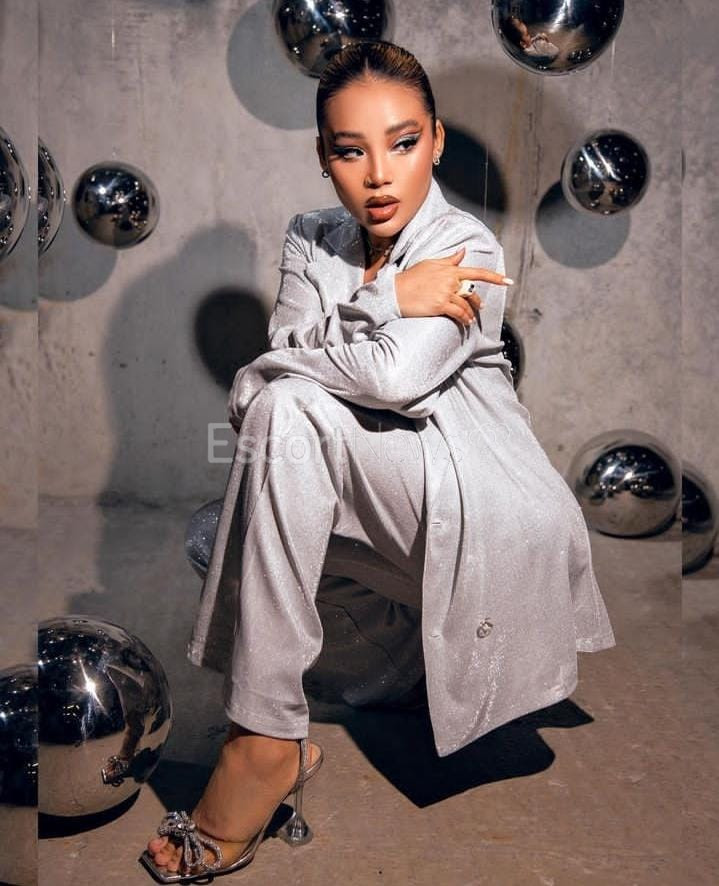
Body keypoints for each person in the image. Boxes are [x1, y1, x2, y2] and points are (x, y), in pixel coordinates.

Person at [141, 40, 615, 882]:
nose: (378, 175)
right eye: (349, 150)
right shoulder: (310, 237)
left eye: (401, 143)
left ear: (435, 140)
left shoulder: (465, 244)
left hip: (477, 496)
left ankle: (262, 741)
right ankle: (401, 672)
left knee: (285, 408)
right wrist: (389, 295)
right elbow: (291, 354)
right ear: (323, 157)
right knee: (216, 539)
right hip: (380, 495)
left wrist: (279, 365)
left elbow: (387, 377)